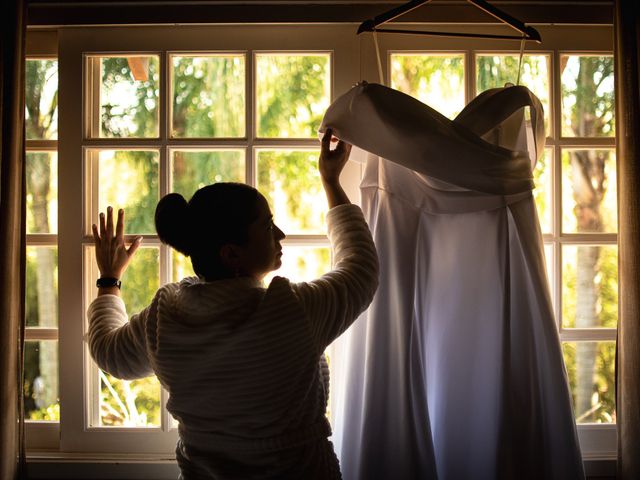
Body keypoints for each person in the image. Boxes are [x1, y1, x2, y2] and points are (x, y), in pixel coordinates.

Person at [87, 129, 379, 479]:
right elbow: (361, 270)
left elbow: (110, 353)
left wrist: (109, 279)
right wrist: (330, 180)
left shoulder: (165, 319)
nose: (280, 235)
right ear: (231, 254)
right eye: (268, 226)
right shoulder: (289, 312)